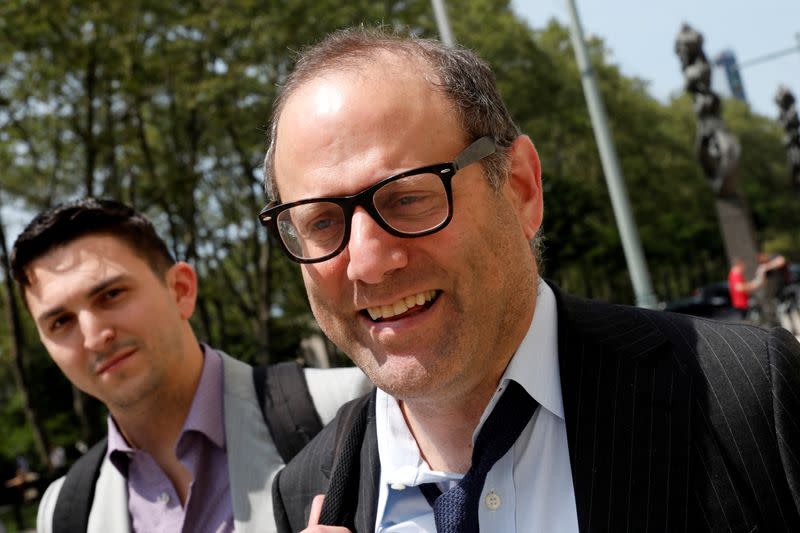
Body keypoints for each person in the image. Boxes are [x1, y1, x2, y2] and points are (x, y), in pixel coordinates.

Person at [262, 27, 800, 533]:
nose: (368, 262)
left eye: (408, 197)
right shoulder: (306, 493)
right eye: (322, 221)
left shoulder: (748, 395)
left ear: (520, 187)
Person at [10, 198, 370, 533]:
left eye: (111, 295)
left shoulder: (351, 409)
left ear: (181, 290)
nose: (93, 336)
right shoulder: (64, 512)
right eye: (60, 322)